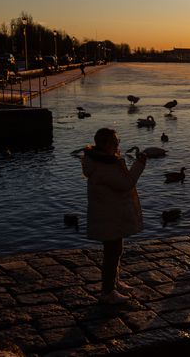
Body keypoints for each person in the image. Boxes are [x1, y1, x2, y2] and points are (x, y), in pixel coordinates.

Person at [82, 128, 146, 304]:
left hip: (108, 213)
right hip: (109, 215)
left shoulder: (101, 161)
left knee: (116, 249)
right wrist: (140, 164)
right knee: (112, 252)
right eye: (116, 144)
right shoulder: (104, 166)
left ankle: (114, 282)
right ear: (107, 145)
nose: (118, 147)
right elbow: (126, 183)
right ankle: (108, 292)